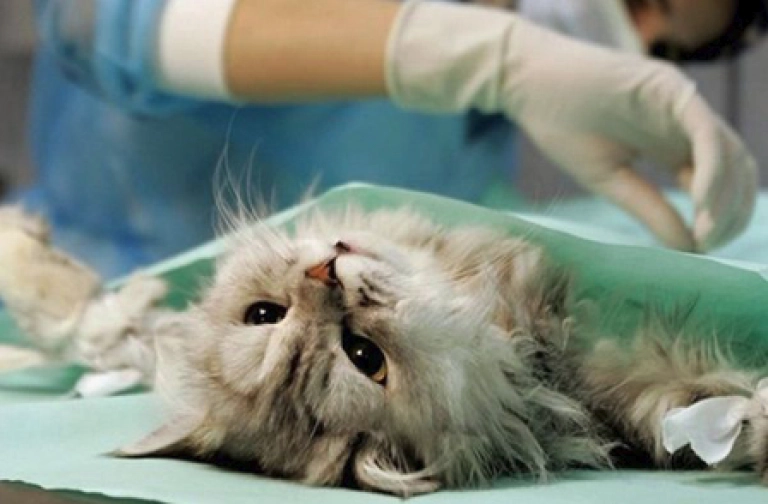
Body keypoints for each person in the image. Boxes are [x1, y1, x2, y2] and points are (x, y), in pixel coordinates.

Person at [23, 0, 763, 277]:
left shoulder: (482, 138)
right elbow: (95, 21)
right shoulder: (503, 67)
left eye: (665, 49)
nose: (631, 37)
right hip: (84, 286)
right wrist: (476, 53)